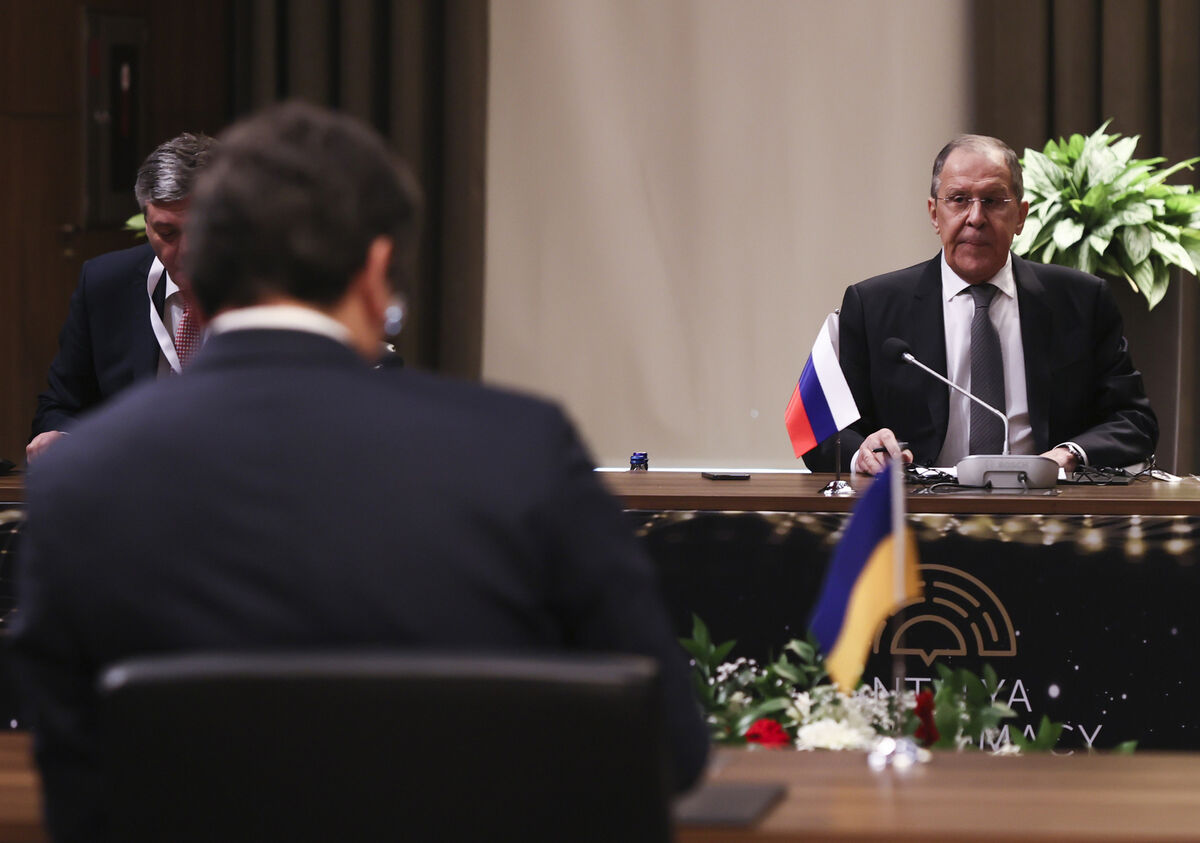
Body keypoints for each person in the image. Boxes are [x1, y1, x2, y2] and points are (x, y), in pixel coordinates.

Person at [12, 102, 709, 842]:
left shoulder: (77, 481)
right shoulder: (522, 450)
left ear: (200, 267)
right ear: (377, 271)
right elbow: (667, 746)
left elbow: (74, 786)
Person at [807, 134, 1157, 475]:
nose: (975, 217)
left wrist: (1068, 456)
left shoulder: (1081, 300)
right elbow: (823, 431)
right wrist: (864, 453)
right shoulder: (873, 305)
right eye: (958, 199)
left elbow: (1134, 421)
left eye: (992, 200)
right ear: (934, 214)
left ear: (1020, 216)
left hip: (1048, 510)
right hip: (918, 513)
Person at [26, 132, 216, 462]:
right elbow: (60, 406)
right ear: (146, 222)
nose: (185, 252)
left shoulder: (280, 292)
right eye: (167, 233)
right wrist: (64, 439)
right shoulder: (106, 283)